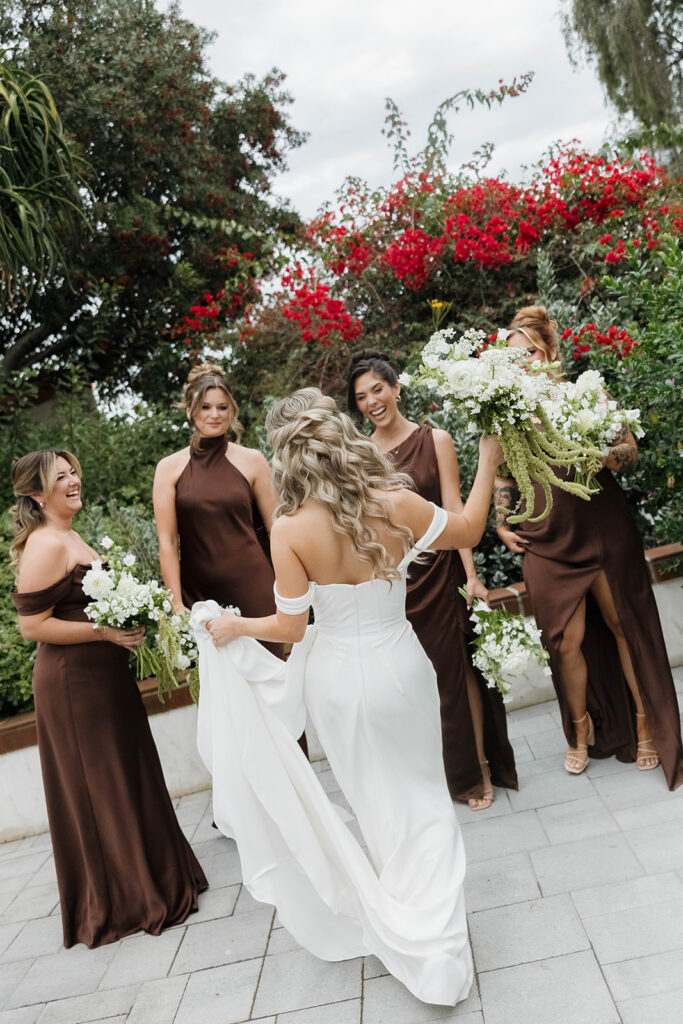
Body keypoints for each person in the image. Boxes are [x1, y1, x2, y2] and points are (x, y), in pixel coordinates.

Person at [192, 388, 504, 1007]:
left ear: (287, 457)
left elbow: (291, 628)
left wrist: (237, 627)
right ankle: (437, 940)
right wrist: (489, 455)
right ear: (340, 436)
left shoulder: (290, 529)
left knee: (375, 803)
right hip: (399, 665)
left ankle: (412, 922)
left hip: (334, 680)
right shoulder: (395, 502)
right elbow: (468, 527)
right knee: (421, 795)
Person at [10, 450, 207, 948]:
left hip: (103, 676)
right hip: (74, 684)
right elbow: (32, 625)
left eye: (74, 470)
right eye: (61, 477)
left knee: (127, 771)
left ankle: (153, 879)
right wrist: (103, 632)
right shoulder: (44, 544)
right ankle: (126, 899)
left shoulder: (71, 534)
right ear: (36, 493)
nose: (74, 479)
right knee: (101, 784)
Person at [495, 305, 683, 787]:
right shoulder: (508, 413)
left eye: (531, 353)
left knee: (623, 623)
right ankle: (580, 730)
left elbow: (629, 452)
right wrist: (501, 521)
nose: (525, 365)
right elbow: (501, 472)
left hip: (600, 523)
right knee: (565, 640)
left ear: (549, 352)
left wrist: (603, 454)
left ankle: (644, 722)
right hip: (547, 535)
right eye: (514, 359)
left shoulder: (587, 393)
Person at [346, 349, 518, 810]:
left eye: (377, 389)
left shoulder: (435, 438)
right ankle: (434, 775)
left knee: (457, 673)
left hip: (441, 573)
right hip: (394, 583)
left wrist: (472, 577)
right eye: (361, 397)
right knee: (412, 683)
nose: (371, 402)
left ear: (396, 388)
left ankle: (477, 768)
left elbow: (455, 511)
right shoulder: (358, 457)